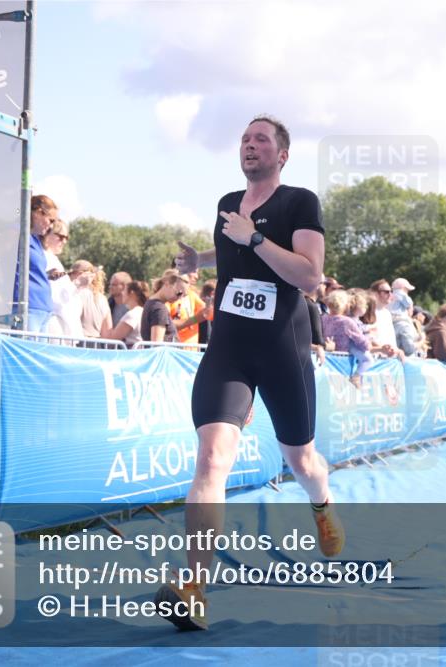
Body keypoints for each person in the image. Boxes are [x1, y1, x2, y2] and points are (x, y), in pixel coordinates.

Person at [158, 115, 343, 632]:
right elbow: (234, 264)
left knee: (301, 460)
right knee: (212, 457)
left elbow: (310, 275)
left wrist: (256, 239)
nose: (249, 145)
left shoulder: (300, 202)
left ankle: (323, 505)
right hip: (231, 347)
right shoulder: (225, 204)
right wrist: (200, 257)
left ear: (281, 155)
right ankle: (194, 587)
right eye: (244, 138)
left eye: (261, 139)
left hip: (282, 348)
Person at [14, 195, 57, 332]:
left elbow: (29, 269)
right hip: (27, 307)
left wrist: (46, 275)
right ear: (38, 213)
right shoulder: (15, 233)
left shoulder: (36, 240)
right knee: (26, 352)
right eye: (50, 220)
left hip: (42, 309)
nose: (51, 226)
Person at [141, 269, 184, 343]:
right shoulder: (159, 309)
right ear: (167, 284)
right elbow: (157, 344)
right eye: (179, 293)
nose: (179, 298)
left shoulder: (152, 303)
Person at [73, 261, 112, 339]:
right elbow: (107, 333)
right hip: (96, 344)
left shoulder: (76, 293)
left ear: (78, 274)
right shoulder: (102, 298)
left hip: (77, 341)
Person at [104, 280, 148, 348]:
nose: (122, 293)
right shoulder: (142, 311)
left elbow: (112, 340)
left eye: (124, 290)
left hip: (131, 355)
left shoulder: (132, 315)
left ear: (131, 293)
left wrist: (105, 316)